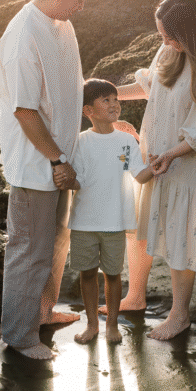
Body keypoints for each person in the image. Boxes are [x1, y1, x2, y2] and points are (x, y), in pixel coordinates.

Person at [112, 0, 196, 341]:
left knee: (178, 237)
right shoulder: (170, 52)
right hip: (155, 160)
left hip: (187, 169)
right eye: (162, 36)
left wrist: (171, 154)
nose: (166, 43)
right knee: (138, 228)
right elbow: (149, 88)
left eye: (171, 36)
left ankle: (179, 315)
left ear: (193, 33)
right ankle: (135, 296)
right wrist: (103, 95)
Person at [0, 0, 100, 359]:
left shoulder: (62, 24)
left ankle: (42, 314)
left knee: (57, 243)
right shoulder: (23, 35)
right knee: (28, 250)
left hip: (63, 160)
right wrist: (57, 160)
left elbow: (68, 88)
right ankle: (20, 337)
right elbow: (24, 109)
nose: (82, 6)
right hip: (37, 164)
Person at [55, 78, 153, 345]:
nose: (114, 105)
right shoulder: (80, 142)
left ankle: (112, 324)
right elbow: (79, 180)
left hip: (115, 221)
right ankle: (91, 325)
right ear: (88, 110)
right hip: (85, 221)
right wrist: (66, 180)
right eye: (106, 100)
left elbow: (139, 175)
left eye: (116, 99)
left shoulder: (126, 141)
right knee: (87, 273)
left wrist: (155, 167)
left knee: (113, 274)